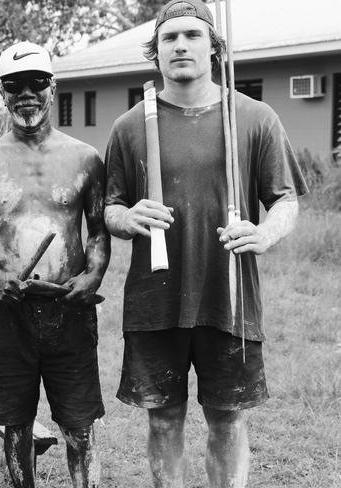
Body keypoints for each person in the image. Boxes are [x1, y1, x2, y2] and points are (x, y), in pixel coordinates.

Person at [104, 1, 308, 487]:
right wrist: (127, 216)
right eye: (169, 37)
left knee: (228, 419)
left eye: (193, 35)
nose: (180, 45)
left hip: (230, 297)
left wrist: (264, 233)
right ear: (155, 52)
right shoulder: (130, 125)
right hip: (155, 300)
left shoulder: (254, 117)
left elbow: (284, 199)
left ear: (215, 48)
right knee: (163, 419)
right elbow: (108, 209)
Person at [0, 41, 111, 488]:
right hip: (8, 312)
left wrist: (93, 275)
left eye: (36, 82)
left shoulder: (85, 158)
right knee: (16, 423)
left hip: (71, 312)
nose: (26, 93)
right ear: (2, 92)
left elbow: (98, 230)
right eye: (15, 84)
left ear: (52, 86)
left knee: (80, 426)